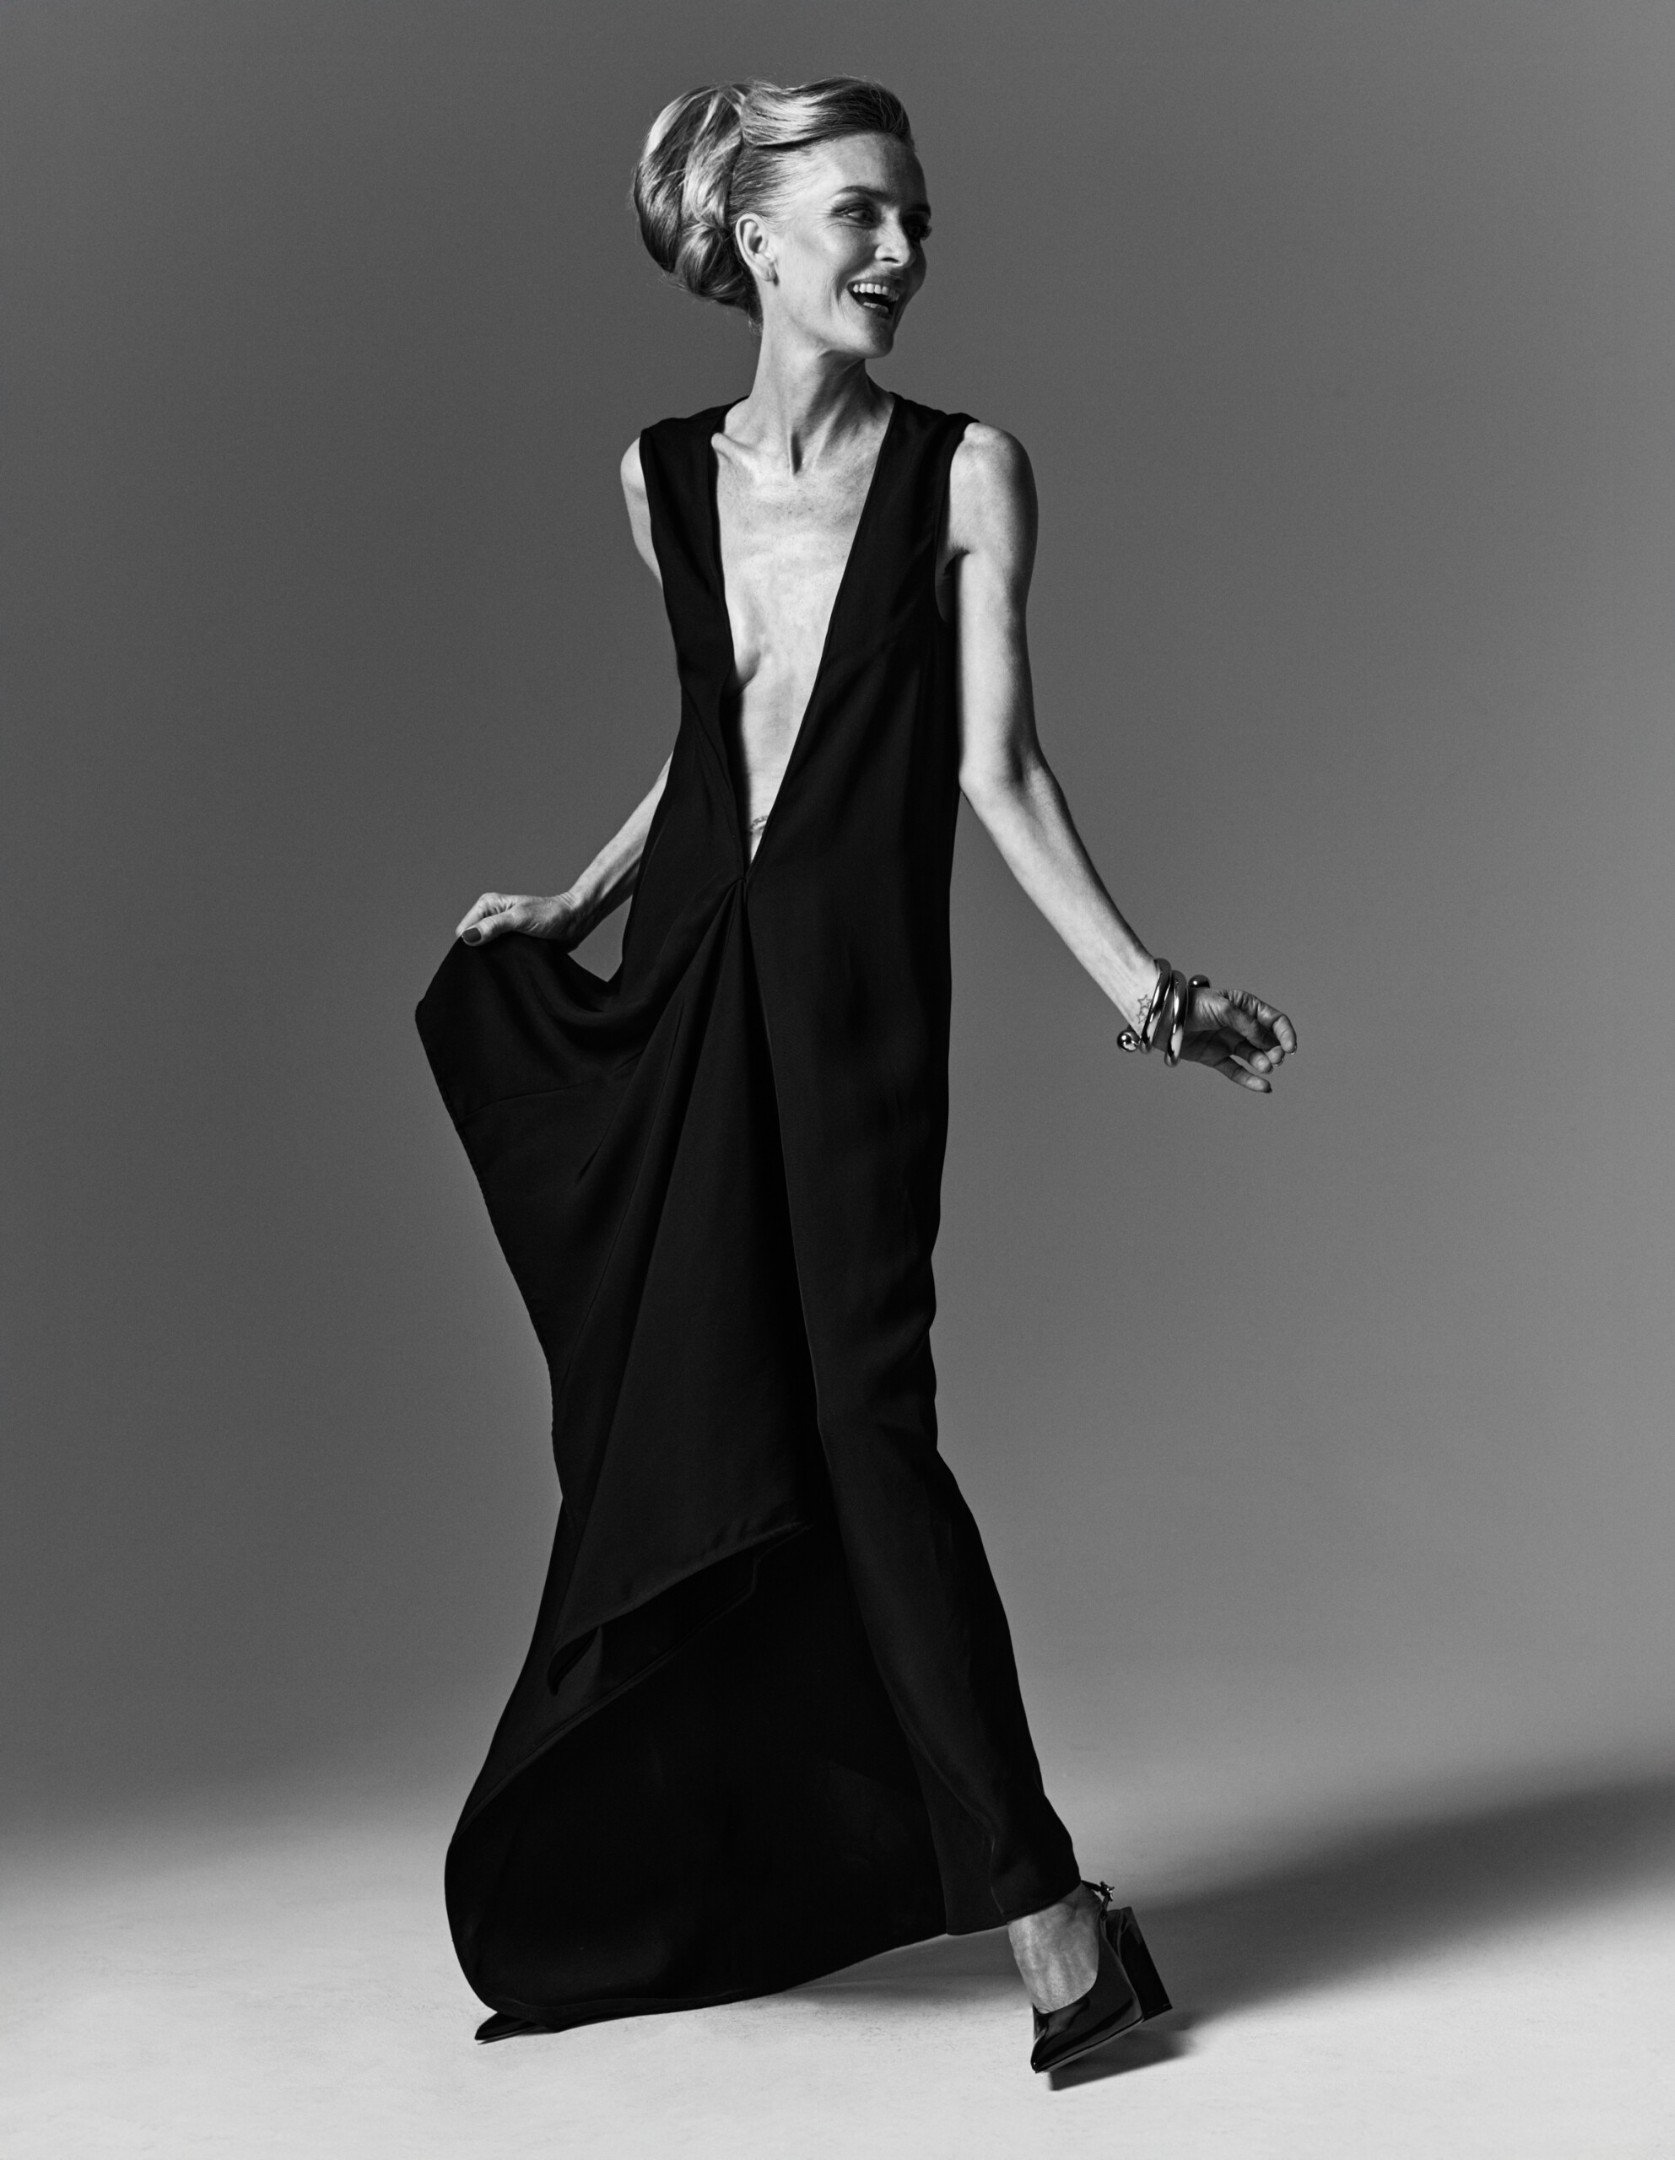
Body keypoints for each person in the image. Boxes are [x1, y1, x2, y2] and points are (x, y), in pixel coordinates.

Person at [416, 75, 1295, 2076]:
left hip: (852, 1000)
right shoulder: (660, 476)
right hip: (687, 971)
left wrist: (1151, 993)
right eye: (862, 217)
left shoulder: (969, 472)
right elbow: (721, 727)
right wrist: (576, 901)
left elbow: (997, 770)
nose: (900, 251)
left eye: (916, 221)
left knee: (865, 1425)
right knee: (698, 1416)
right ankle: (735, 1873)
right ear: (753, 239)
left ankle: (1049, 1922)